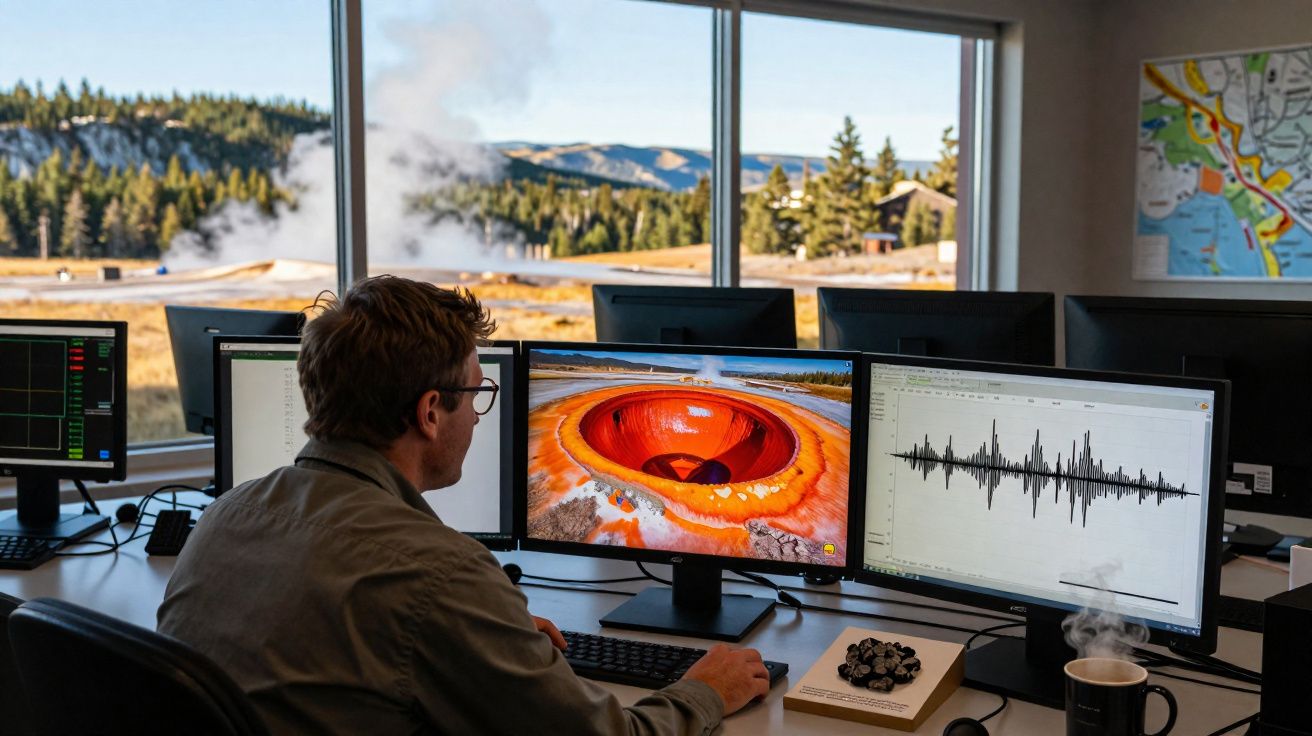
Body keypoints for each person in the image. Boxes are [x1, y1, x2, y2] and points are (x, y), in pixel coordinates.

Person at [157, 275, 769, 734]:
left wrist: (481, 633)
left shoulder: (224, 516)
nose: (478, 416)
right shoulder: (439, 574)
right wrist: (704, 691)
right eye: (477, 395)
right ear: (429, 413)